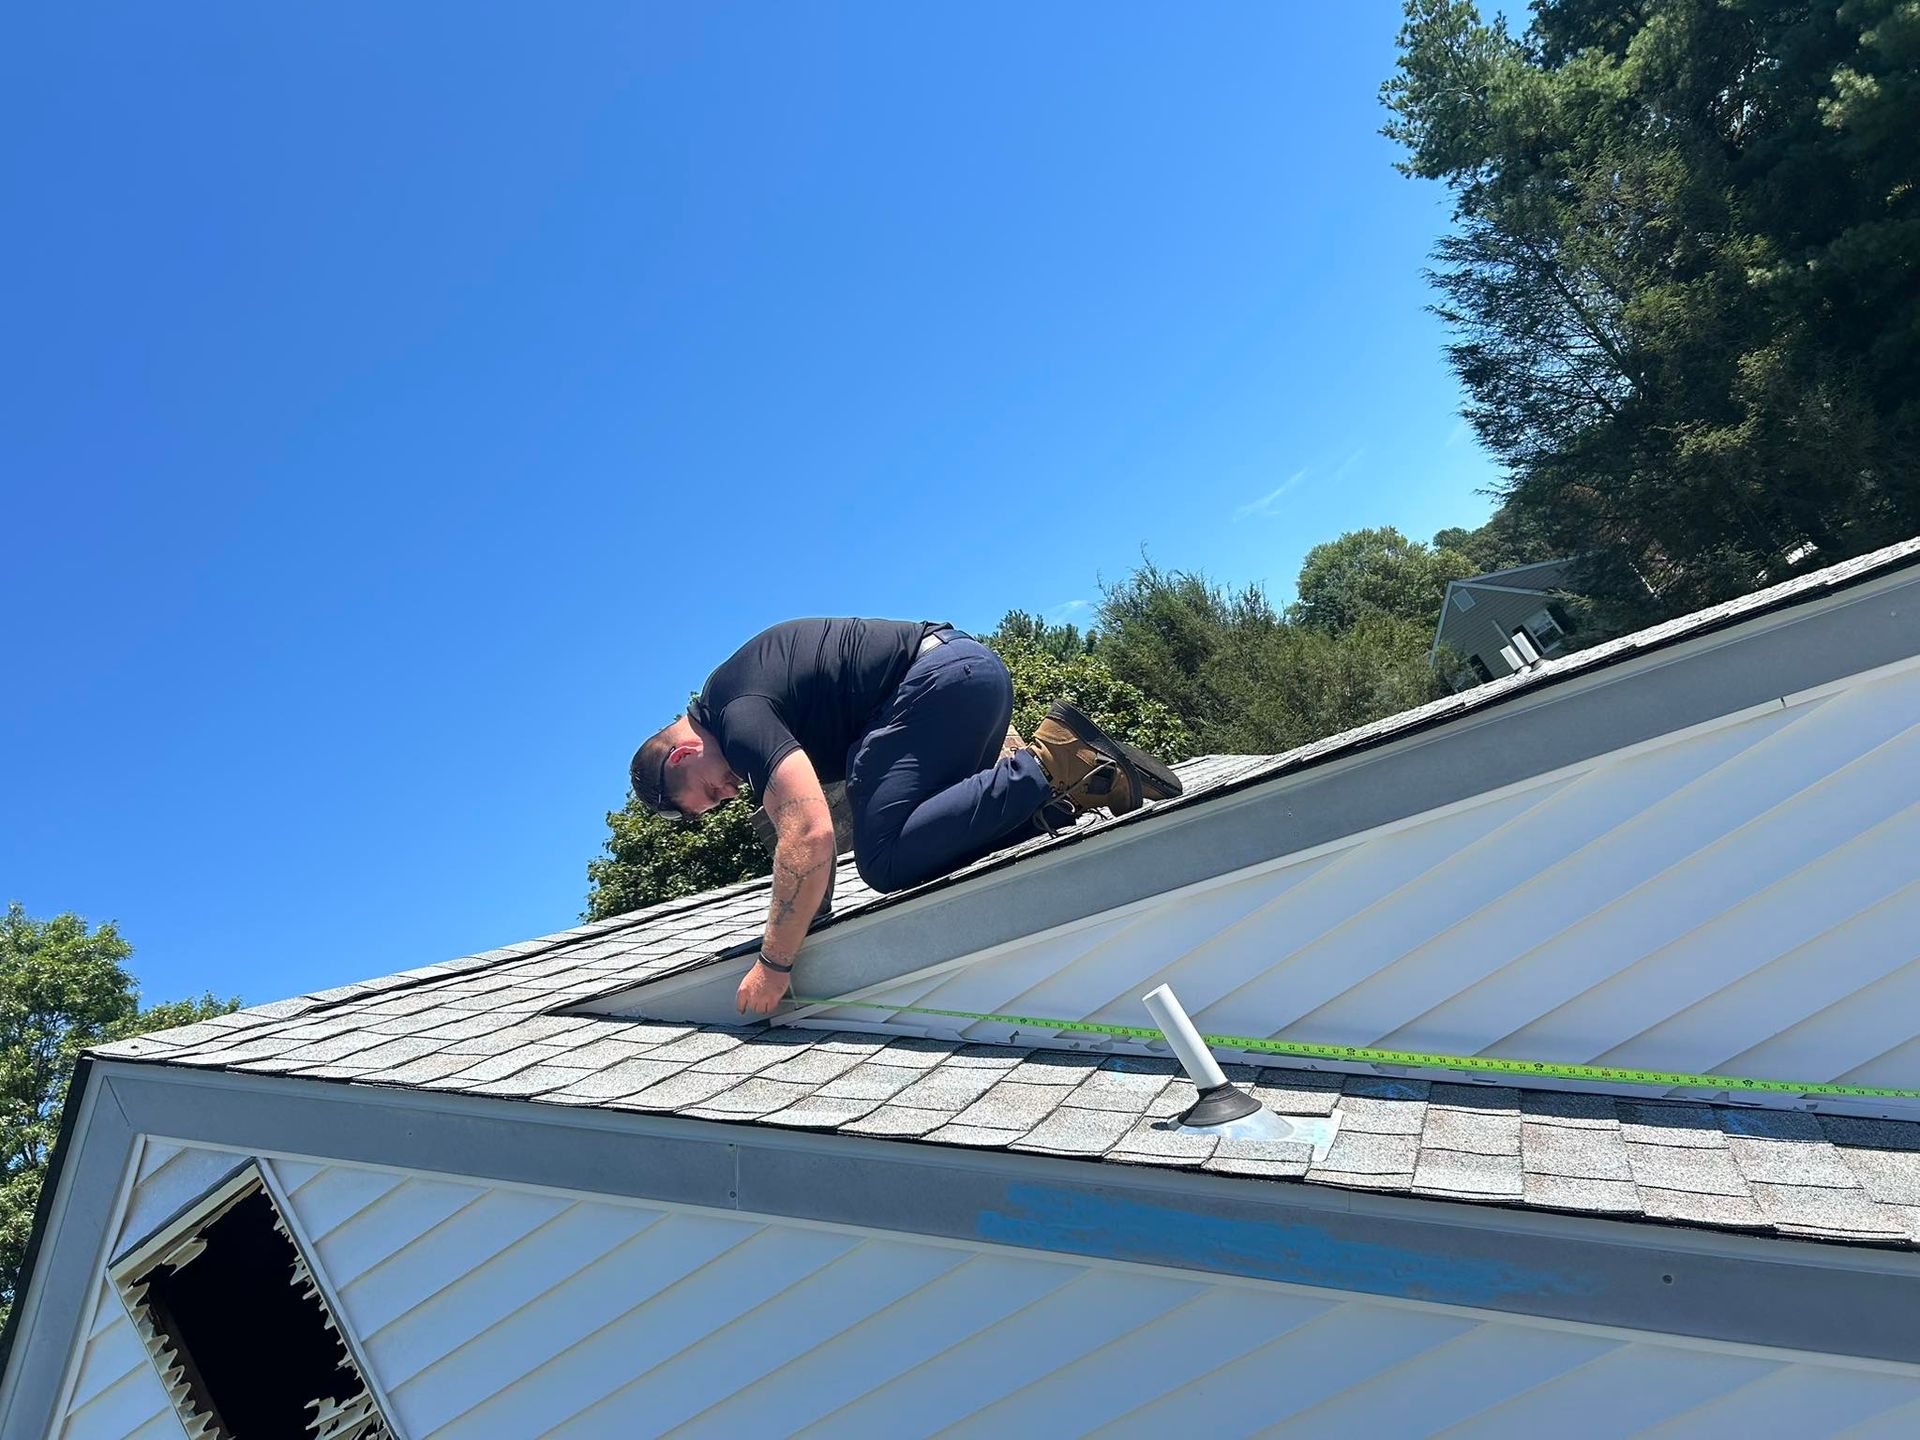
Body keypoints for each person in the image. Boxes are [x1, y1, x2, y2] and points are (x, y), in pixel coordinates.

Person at [629, 617, 1182, 1015]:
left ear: (682, 755)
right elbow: (804, 845)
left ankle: (1057, 761)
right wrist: (809, 926)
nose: (729, 792)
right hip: (965, 678)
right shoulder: (742, 704)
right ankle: (1048, 804)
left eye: (711, 789)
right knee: (915, 836)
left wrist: (774, 964)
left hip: (936, 684)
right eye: (722, 800)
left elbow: (809, 831)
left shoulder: (734, 713)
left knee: (885, 859)